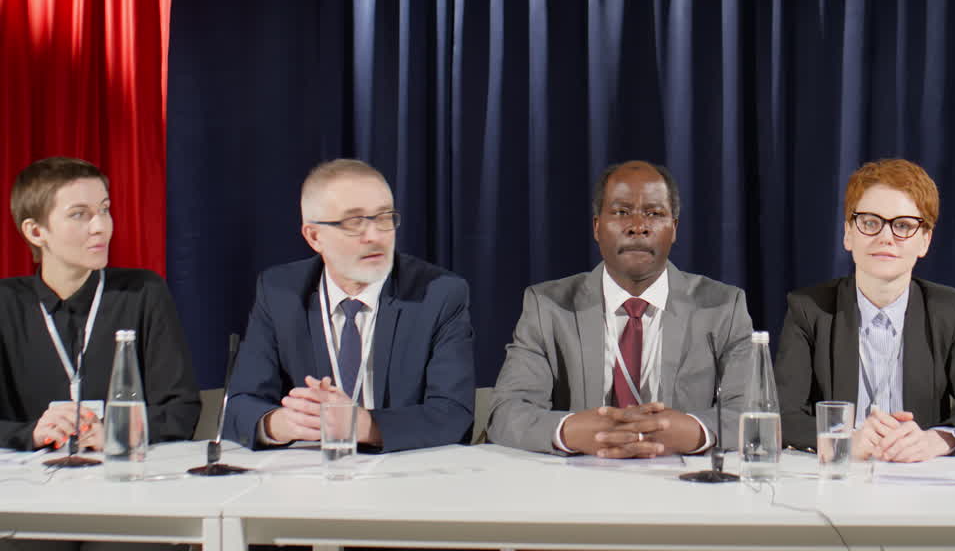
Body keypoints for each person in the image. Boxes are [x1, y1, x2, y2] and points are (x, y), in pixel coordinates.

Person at [487, 161, 754, 457]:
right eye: (621, 212)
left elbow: (752, 413)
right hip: (580, 482)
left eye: (654, 214)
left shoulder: (723, 307)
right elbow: (506, 412)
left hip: (682, 484)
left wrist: (694, 431)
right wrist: (569, 431)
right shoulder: (547, 306)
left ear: (674, 229)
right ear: (597, 226)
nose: (637, 227)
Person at [225, 159, 474, 452]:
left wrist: (363, 426)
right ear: (314, 236)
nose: (374, 236)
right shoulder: (280, 292)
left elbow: (454, 414)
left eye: (384, 218)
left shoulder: (439, 294)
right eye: (354, 222)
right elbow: (238, 406)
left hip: (405, 474)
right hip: (308, 477)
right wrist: (282, 423)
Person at [776, 159, 955, 462]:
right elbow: (781, 414)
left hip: (918, 480)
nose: (886, 237)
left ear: (925, 240)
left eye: (903, 226)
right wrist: (841, 441)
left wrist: (937, 439)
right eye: (871, 222)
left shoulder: (947, 310)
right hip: (840, 477)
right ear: (849, 233)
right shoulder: (809, 310)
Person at [0, 157, 199, 451]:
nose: (100, 227)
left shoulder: (143, 292)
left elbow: (181, 411)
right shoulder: (7, 304)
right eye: (79, 215)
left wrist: (121, 431)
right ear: (36, 232)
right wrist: (31, 433)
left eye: (104, 210)